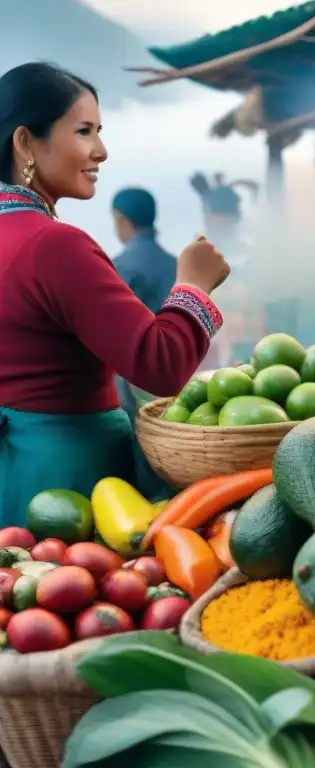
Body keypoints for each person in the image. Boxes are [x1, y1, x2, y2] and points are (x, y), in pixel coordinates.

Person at [0, 63, 229, 524]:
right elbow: (159, 364)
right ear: (25, 142)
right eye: (84, 131)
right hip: (69, 480)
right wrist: (194, 285)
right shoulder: (53, 245)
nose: (101, 151)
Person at [110, 187, 177, 416]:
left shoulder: (121, 266)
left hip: (133, 379)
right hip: (176, 369)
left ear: (120, 219)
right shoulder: (176, 265)